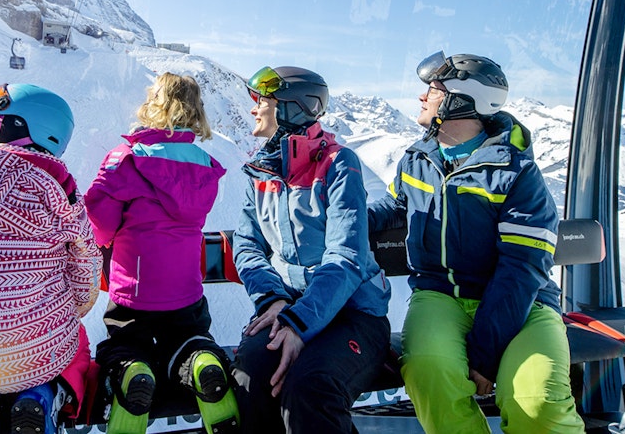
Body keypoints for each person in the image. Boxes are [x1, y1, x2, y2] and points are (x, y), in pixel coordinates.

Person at [367, 51, 586, 434]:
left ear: (459, 101)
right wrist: (349, 219)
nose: (422, 98)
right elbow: (395, 203)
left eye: (432, 90)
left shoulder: (517, 175)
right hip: (441, 296)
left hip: (523, 303)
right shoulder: (418, 159)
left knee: (536, 403)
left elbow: (522, 268)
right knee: (429, 373)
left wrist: (485, 354)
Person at [230, 66, 392, 434]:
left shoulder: (338, 165)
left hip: (353, 315)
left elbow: (345, 259)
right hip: (286, 306)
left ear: (292, 107)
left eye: (263, 100)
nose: (254, 108)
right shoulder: (261, 171)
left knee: (310, 387)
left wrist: (299, 324)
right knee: (249, 376)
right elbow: (247, 244)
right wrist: (272, 300)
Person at [0, 83, 102, 434]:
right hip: (37, 350)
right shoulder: (63, 193)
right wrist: (71, 307)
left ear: (9, 127)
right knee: (75, 342)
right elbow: (86, 264)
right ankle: (41, 398)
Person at [84, 73, 236, 434]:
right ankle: (201, 360)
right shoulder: (203, 165)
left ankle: (131, 370)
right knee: (187, 341)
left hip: (134, 292)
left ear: (155, 105)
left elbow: (99, 222)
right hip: (185, 290)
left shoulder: (127, 159)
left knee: (123, 345)